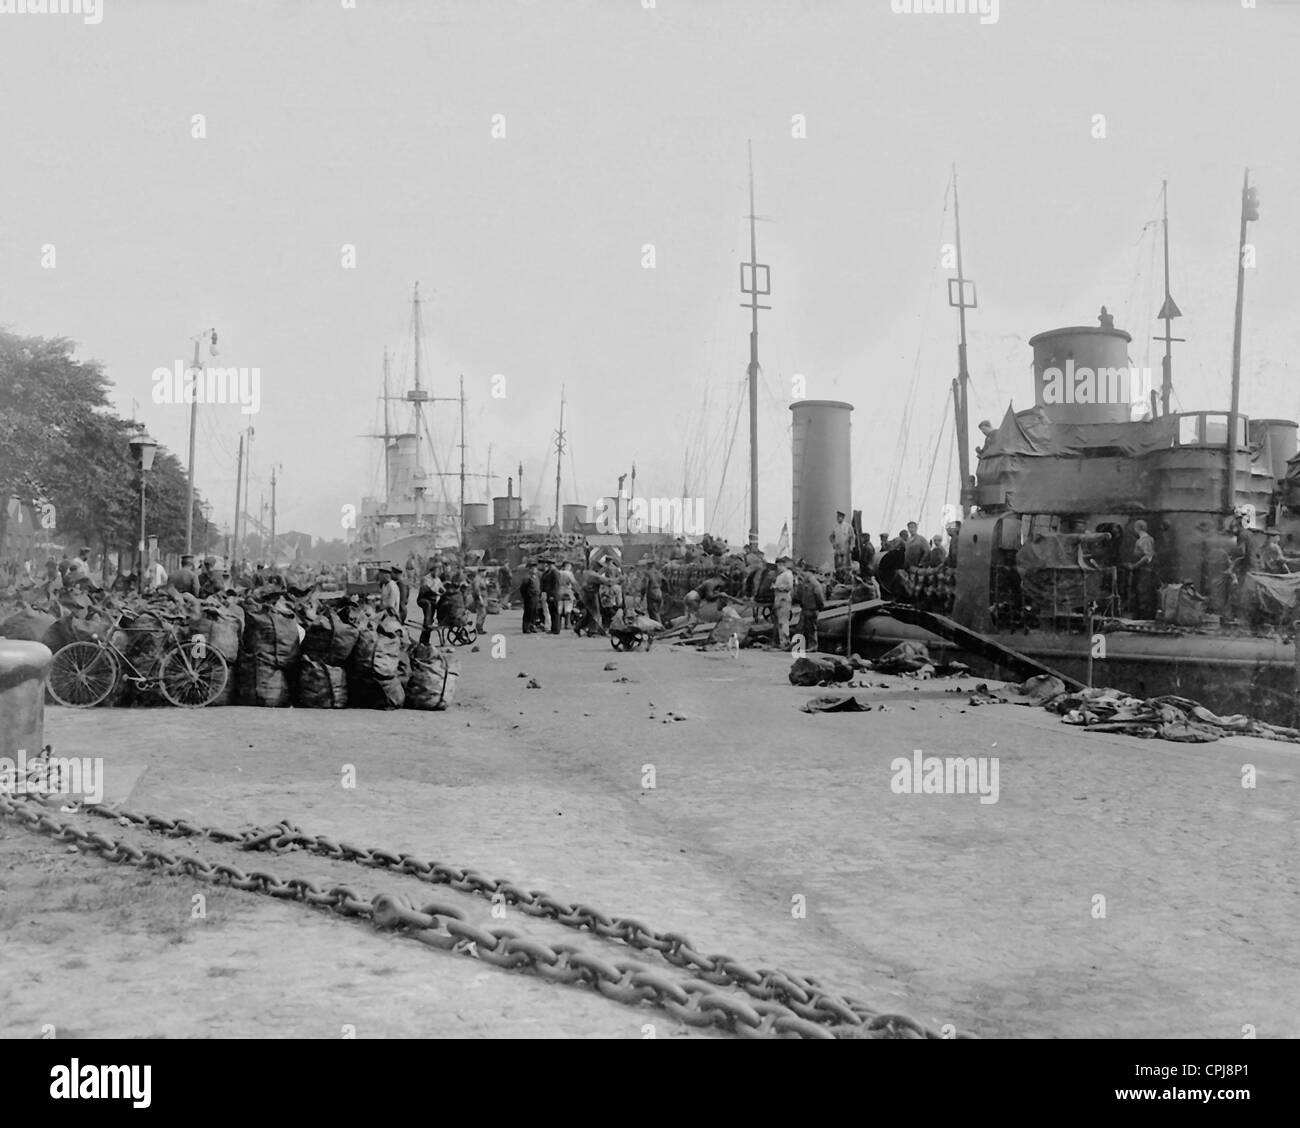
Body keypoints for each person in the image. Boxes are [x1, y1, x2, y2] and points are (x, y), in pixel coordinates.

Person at [1125, 520, 1156, 618]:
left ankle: (1144, 616)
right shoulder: (1147, 539)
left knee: (1143, 595)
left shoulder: (1144, 540)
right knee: (1140, 594)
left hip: (1144, 572)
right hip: (1143, 571)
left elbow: (1147, 557)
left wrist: (1134, 566)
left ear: (1137, 528)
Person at [797, 568, 825, 652]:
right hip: (805, 608)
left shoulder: (815, 585)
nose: (804, 575)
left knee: (811, 629)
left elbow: (819, 598)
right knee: (800, 628)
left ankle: (813, 646)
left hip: (812, 609)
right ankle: (797, 645)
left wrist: (819, 607)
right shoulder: (806, 584)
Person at [417, 563, 445, 646]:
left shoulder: (438, 580)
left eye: (438, 571)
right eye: (435, 571)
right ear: (432, 571)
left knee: (431, 619)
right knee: (428, 617)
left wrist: (446, 592)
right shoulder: (426, 579)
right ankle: (426, 625)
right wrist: (437, 593)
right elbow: (427, 590)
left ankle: (425, 640)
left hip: (432, 600)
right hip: (424, 599)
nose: (437, 573)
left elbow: (442, 589)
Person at [772, 557, 795, 648]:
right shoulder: (780, 575)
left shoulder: (788, 574)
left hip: (784, 599)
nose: (778, 567)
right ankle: (782, 641)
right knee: (780, 622)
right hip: (779, 598)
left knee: (784, 621)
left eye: (779, 565)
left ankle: (785, 642)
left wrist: (777, 587)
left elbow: (789, 587)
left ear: (782, 565)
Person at [829, 511, 854, 576]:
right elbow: (831, 537)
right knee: (838, 564)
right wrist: (833, 543)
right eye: (837, 517)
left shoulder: (848, 526)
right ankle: (838, 577)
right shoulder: (835, 526)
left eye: (840, 517)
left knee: (846, 564)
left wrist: (851, 546)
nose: (838, 518)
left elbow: (852, 537)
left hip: (845, 548)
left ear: (843, 518)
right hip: (838, 548)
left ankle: (847, 578)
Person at [541, 560, 561, 635]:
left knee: (555, 612)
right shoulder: (549, 572)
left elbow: (556, 585)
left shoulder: (554, 572)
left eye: (549, 564)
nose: (548, 566)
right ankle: (553, 628)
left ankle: (556, 629)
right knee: (552, 612)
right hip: (549, 594)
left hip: (553, 595)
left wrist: (553, 595)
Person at [520, 562, 540, 633]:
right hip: (529, 598)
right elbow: (523, 589)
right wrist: (526, 596)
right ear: (530, 569)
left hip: (536, 597)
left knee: (534, 612)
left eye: (535, 568)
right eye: (533, 568)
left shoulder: (536, 577)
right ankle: (526, 628)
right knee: (528, 612)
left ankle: (532, 626)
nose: (535, 570)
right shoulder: (527, 578)